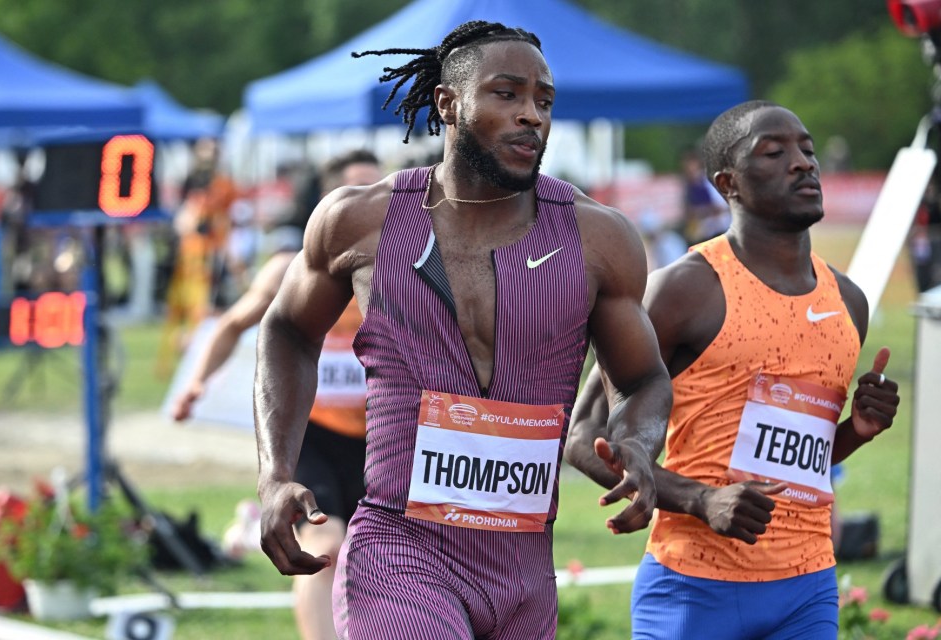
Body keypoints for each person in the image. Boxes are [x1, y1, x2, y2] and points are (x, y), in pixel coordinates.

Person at [254, 20, 673, 640]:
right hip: (399, 552)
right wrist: (274, 474)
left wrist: (638, 441)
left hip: (524, 572)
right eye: (507, 94)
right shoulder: (358, 220)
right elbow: (286, 329)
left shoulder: (598, 239)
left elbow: (641, 379)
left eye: (544, 100)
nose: (532, 115)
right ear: (448, 104)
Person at [565, 100, 901, 639]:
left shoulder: (849, 302)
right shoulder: (683, 289)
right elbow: (584, 436)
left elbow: (792, 466)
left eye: (808, 150)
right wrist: (699, 500)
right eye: (774, 152)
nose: (802, 163)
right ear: (729, 183)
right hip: (692, 586)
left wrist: (855, 433)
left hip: (807, 586)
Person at [172, 149, 382, 640]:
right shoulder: (292, 269)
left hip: (379, 436)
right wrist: (197, 383)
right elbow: (230, 325)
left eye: (381, 193)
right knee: (325, 539)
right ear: (330, 203)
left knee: (379, 553)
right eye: (360, 192)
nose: (376, 205)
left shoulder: (405, 266)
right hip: (313, 433)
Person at [678, 146, 730, 245]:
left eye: (690, 164)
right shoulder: (688, 186)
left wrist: (701, 211)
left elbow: (720, 207)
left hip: (718, 230)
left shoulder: (707, 181)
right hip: (702, 234)